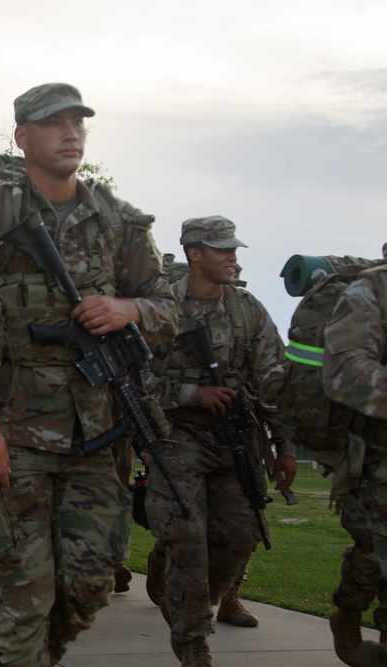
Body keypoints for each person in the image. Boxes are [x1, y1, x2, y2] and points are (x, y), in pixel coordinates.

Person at [0, 82, 179, 666]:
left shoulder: (118, 221)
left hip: (96, 433)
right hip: (10, 437)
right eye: (52, 123)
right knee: (25, 593)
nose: (70, 133)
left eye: (78, 123)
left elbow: (169, 304)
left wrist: (130, 309)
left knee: (90, 584)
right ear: (21, 137)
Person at [142, 216, 295, 666]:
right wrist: (193, 393)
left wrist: (284, 444)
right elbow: (132, 378)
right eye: (222, 249)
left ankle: (187, 594)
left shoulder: (248, 308)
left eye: (234, 249)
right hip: (177, 435)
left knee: (241, 538)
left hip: (236, 441)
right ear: (194, 253)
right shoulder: (161, 307)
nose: (232, 256)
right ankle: (192, 644)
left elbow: (273, 380)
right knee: (188, 534)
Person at [322, 263, 387, 666]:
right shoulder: (368, 294)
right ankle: (348, 611)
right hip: (379, 464)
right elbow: (345, 373)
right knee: (371, 556)